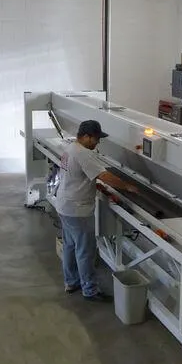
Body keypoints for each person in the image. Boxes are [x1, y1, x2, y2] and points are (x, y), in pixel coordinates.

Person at [55, 120, 136, 303]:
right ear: (86, 137)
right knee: (85, 251)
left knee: (70, 246)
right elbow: (104, 176)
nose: (97, 143)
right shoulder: (83, 154)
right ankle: (90, 290)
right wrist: (127, 186)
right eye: (96, 139)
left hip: (64, 205)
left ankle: (71, 282)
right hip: (78, 209)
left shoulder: (71, 148)